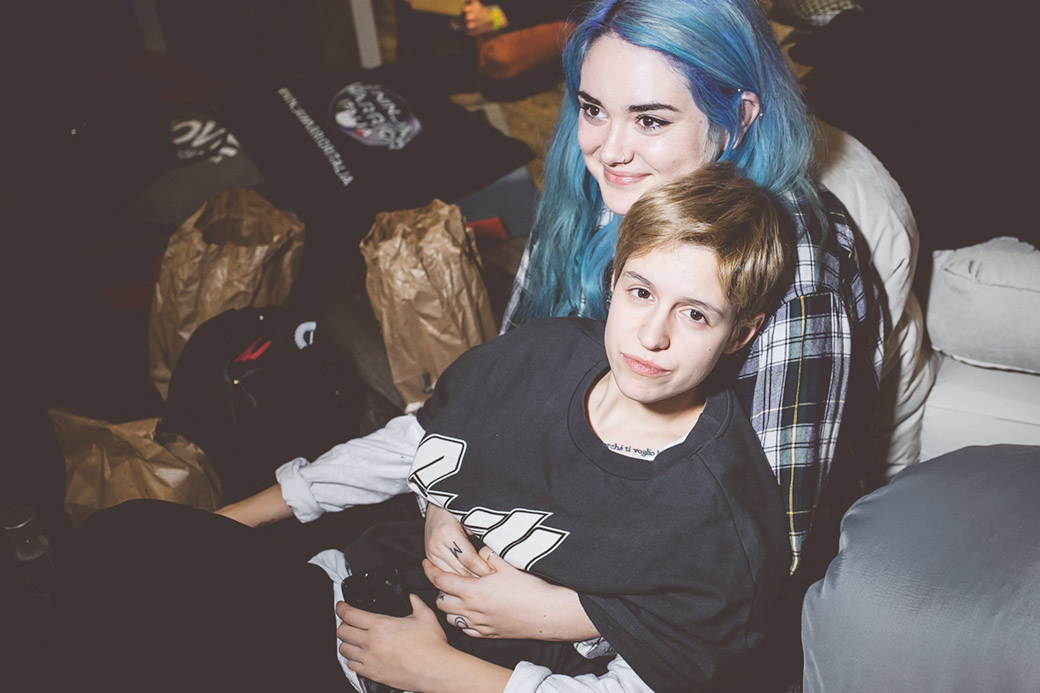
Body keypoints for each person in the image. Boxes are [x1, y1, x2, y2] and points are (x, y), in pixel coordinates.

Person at [63, 163, 791, 693]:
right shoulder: (544, 354)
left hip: (456, 679)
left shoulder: (718, 521)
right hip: (348, 599)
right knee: (126, 543)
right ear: (615, 280)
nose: (652, 335)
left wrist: (436, 670)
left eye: (696, 314)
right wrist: (231, 524)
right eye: (641, 292)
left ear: (741, 333)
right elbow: (421, 439)